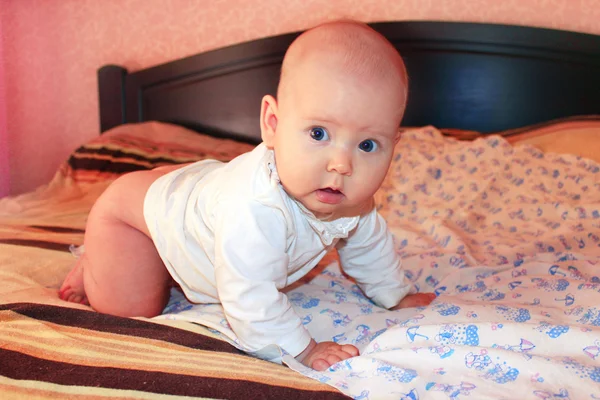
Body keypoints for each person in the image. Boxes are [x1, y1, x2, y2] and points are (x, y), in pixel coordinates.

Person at [59, 20, 435, 371]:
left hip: (200, 197)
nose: (342, 164)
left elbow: (369, 248)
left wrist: (395, 295)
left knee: (205, 248)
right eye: (319, 133)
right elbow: (250, 298)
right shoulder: (256, 208)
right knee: (134, 307)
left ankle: (167, 259)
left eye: (368, 144)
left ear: (394, 146)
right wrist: (303, 349)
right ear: (272, 124)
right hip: (133, 217)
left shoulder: (351, 200)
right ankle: (96, 260)